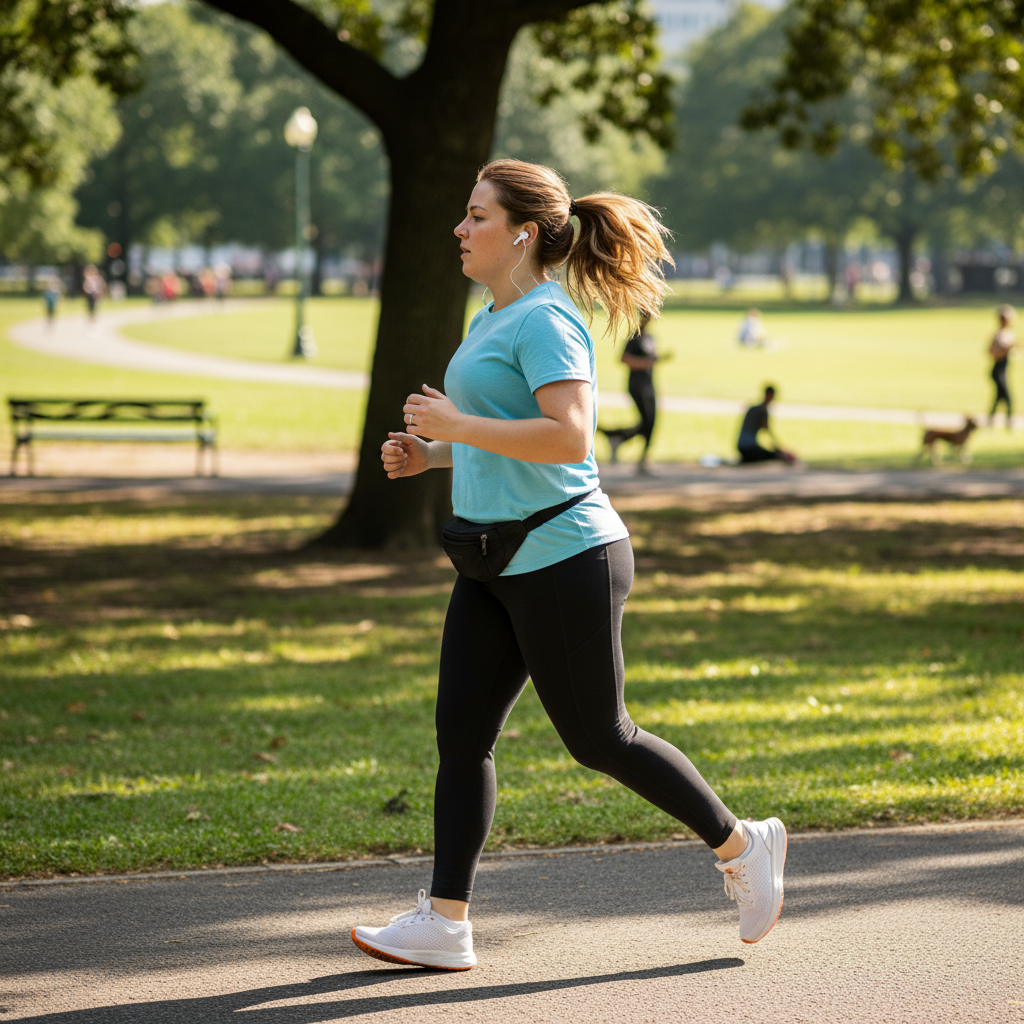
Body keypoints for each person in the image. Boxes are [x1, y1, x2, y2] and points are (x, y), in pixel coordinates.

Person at [357, 159, 787, 972]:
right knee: (461, 737)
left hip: (565, 555)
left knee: (600, 738)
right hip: (491, 558)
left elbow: (569, 438)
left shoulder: (548, 319)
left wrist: (455, 426)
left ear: (523, 233)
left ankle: (742, 845)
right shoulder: (493, 314)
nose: (460, 228)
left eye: (477, 216)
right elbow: (505, 435)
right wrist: (433, 454)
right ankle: (445, 921)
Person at [599, 313, 669, 474]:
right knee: (647, 421)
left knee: (650, 421)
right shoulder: (634, 337)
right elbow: (624, 359)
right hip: (637, 385)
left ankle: (619, 439)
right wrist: (645, 363)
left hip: (649, 384)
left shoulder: (650, 338)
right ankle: (620, 440)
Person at [737, 385, 796, 464]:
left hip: (741, 446)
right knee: (771, 455)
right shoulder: (762, 410)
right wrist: (778, 448)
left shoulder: (753, 408)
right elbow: (766, 429)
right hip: (749, 447)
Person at [988, 304, 1016, 428]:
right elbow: (992, 352)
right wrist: (1006, 350)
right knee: (1007, 398)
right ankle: (1008, 423)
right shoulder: (999, 335)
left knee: (999, 397)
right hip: (997, 370)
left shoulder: (1008, 333)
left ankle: (990, 422)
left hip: (1003, 370)